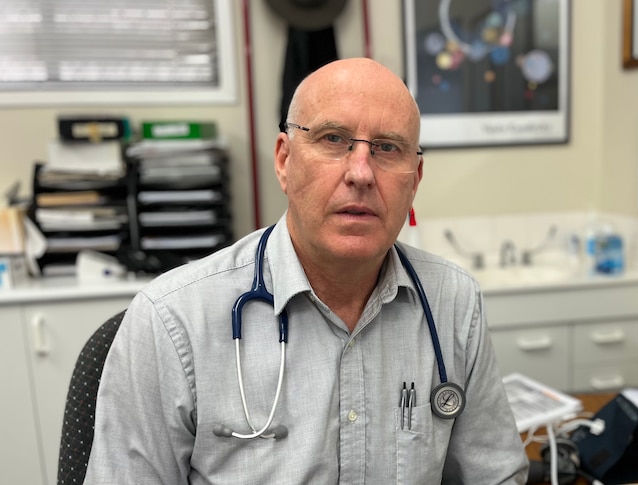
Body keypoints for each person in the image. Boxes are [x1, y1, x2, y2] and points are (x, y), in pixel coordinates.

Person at [84, 57, 529, 484]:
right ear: (284, 160)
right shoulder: (171, 321)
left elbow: (493, 474)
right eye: (334, 139)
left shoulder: (454, 302)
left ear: (414, 178)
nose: (361, 173)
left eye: (387, 148)